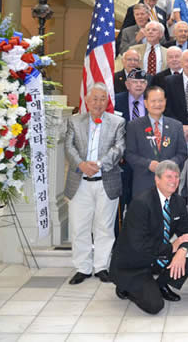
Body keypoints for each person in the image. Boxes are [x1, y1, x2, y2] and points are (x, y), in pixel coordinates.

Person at [109, 161, 188, 315]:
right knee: (155, 306)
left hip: (157, 256)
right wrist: (172, 247)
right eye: (168, 176)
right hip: (135, 263)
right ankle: (126, 285)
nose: (174, 181)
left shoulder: (178, 202)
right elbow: (138, 245)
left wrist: (181, 251)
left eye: (176, 177)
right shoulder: (141, 203)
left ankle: (161, 283)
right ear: (157, 179)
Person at [64, 84, 126, 285]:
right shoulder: (74, 121)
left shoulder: (118, 122)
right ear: (87, 100)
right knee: (79, 226)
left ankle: (101, 266)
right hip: (80, 182)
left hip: (106, 181)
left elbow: (119, 148)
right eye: (95, 99)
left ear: (107, 101)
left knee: (104, 227)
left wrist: (99, 164)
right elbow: (69, 146)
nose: (98, 103)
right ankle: (83, 267)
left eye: (102, 99)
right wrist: (81, 165)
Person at [124, 86, 188, 198]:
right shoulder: (134, 126)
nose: (157, 104)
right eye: (153, 101)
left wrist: (168, 165)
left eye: (160, 101)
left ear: (165, 102)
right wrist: (148, 164)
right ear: (145, 103)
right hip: (143, 184)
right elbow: (129, 154)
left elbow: (182, 153)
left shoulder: (176, 125)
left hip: (169, 183)